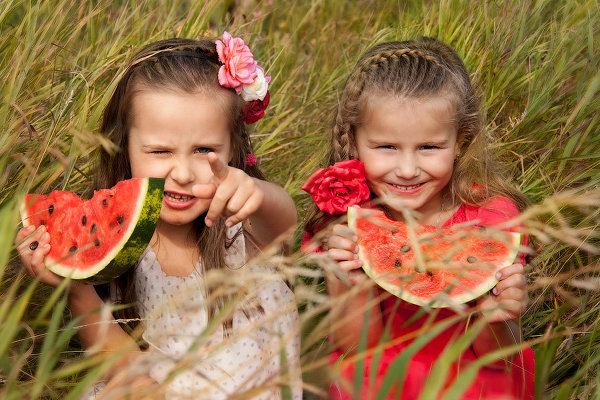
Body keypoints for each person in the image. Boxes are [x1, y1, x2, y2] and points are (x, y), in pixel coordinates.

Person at [16, 34, 301, 399]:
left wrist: (257, 194)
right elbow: (130, 380)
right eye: (160, 151)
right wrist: (78, 288)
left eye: (204, 150)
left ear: (233, 147)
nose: (181, 173)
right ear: (126, 150)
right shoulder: (111, 241)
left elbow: (283, 223)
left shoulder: (242, 224)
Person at [302, 37, 534, 399]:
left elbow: (498, 359)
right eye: (387, 147)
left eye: (429, 147)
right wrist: (347, 279)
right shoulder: (344, 222)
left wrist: (498, 312)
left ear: (461, 141)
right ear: (353, 140)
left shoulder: (492, 216)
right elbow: (357, 347)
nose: (408, 170)